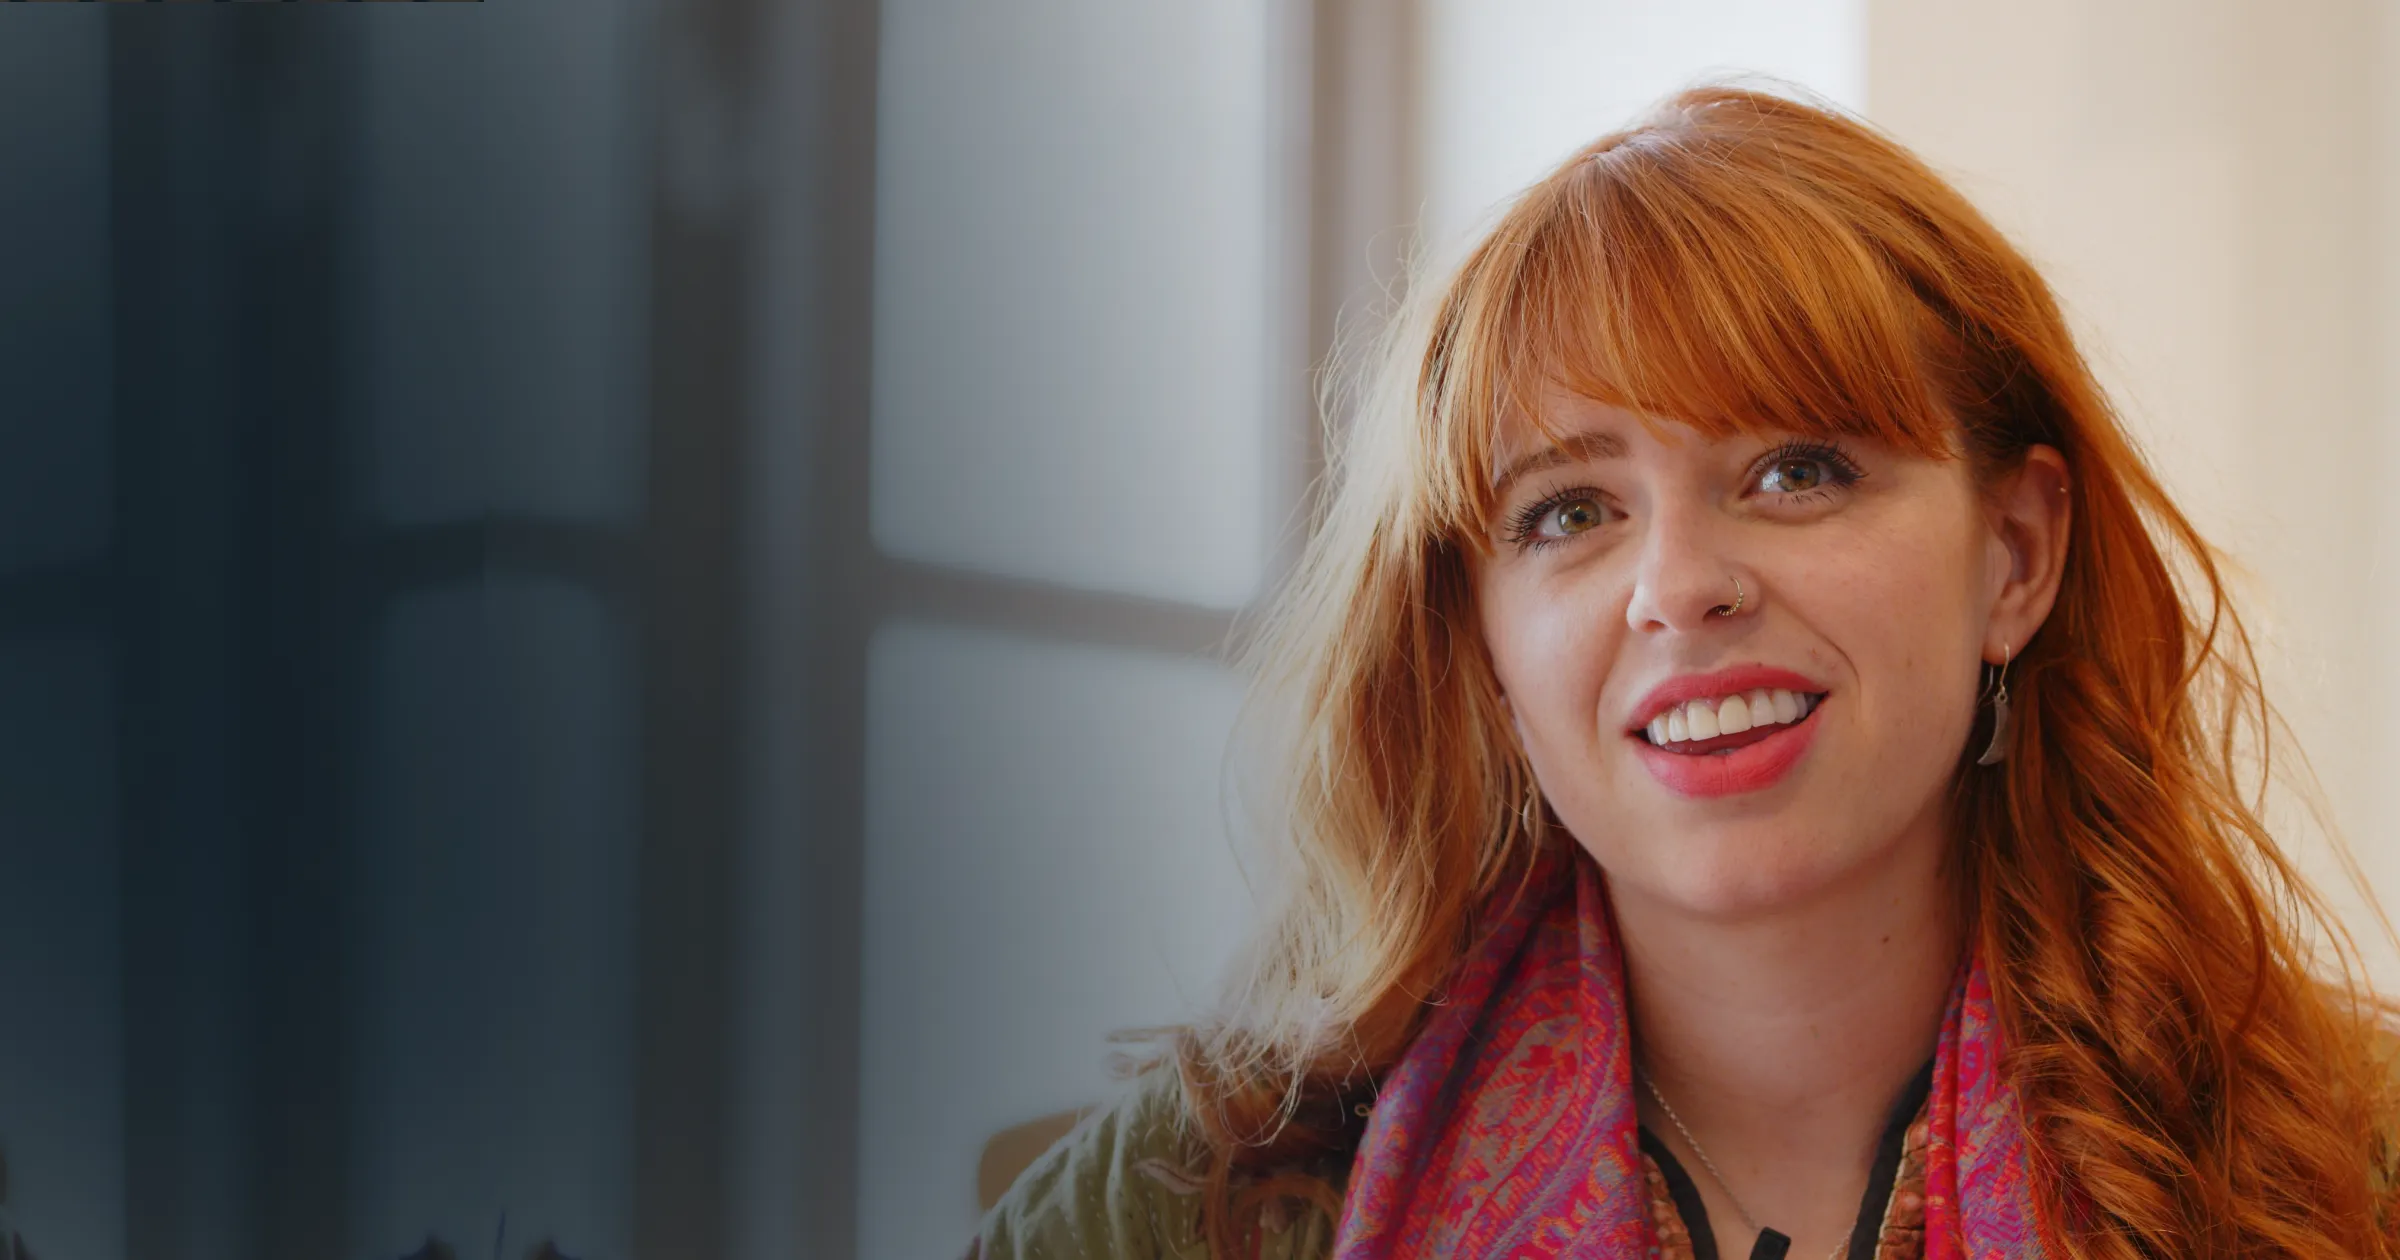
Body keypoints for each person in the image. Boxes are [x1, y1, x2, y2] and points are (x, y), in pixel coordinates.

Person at [968, 84, 2400, 1260]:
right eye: (1570, 512)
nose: (1677, 587)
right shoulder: (1178, 1205)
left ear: (2014, 556)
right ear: (1482, 642)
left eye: (1797, 470)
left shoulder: (2354, 1163)